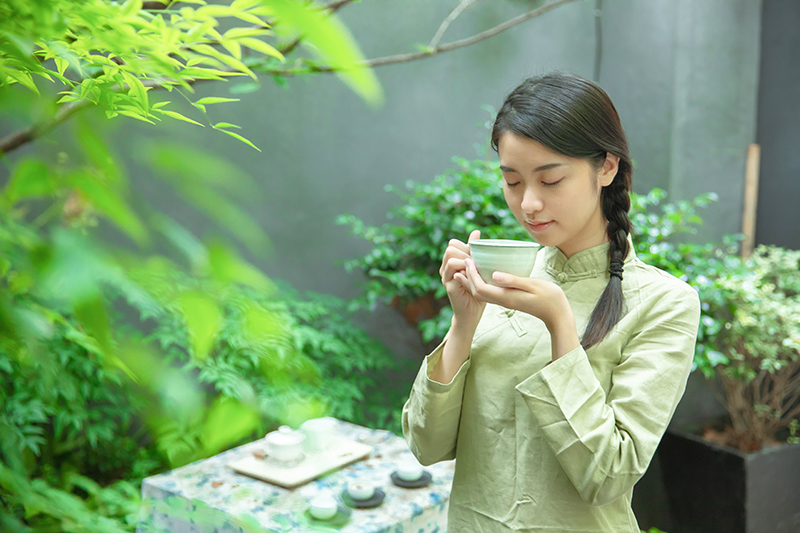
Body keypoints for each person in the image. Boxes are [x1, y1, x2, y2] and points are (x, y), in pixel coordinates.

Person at [401, 72, 701, 532]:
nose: (529, 204)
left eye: (551, 179)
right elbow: (426, 446)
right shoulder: (504, 280)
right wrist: (463, 323)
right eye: (513, 181)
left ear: (607, 167)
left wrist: (561, 326)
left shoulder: (665, 304)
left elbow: (609, 475)